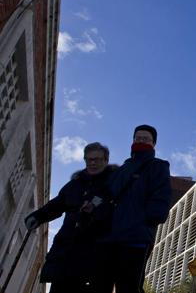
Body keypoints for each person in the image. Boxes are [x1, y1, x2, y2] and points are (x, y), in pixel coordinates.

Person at [24, 142, 116, 293]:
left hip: (97, 255)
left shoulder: (114, 183)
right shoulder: (75, 184)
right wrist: (37, 216)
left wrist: (96, 211)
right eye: (89, 159)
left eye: (97, 159)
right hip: (66, 253)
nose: (93, 163)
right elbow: (57, 204)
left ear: (106, 160)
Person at [95, 124, 171, 293]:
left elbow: (162, 195)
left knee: (128, 286)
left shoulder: (158, 166)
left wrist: (148, 219)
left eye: (145, 139)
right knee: (100, 285)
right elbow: (104, 196)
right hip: (108, 237)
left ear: (153, 144)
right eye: (137, 138)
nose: (140, 141)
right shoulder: (120, 170)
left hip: (135, 237)